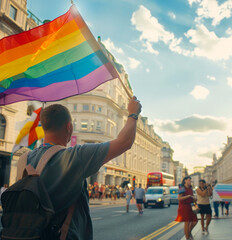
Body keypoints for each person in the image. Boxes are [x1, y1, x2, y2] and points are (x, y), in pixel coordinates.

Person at [18, 97, 141, 239]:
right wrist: (133, 114)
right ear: (69, 127)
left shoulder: (24, 160)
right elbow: (124, 142)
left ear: (44, 126)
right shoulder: (74, 157)